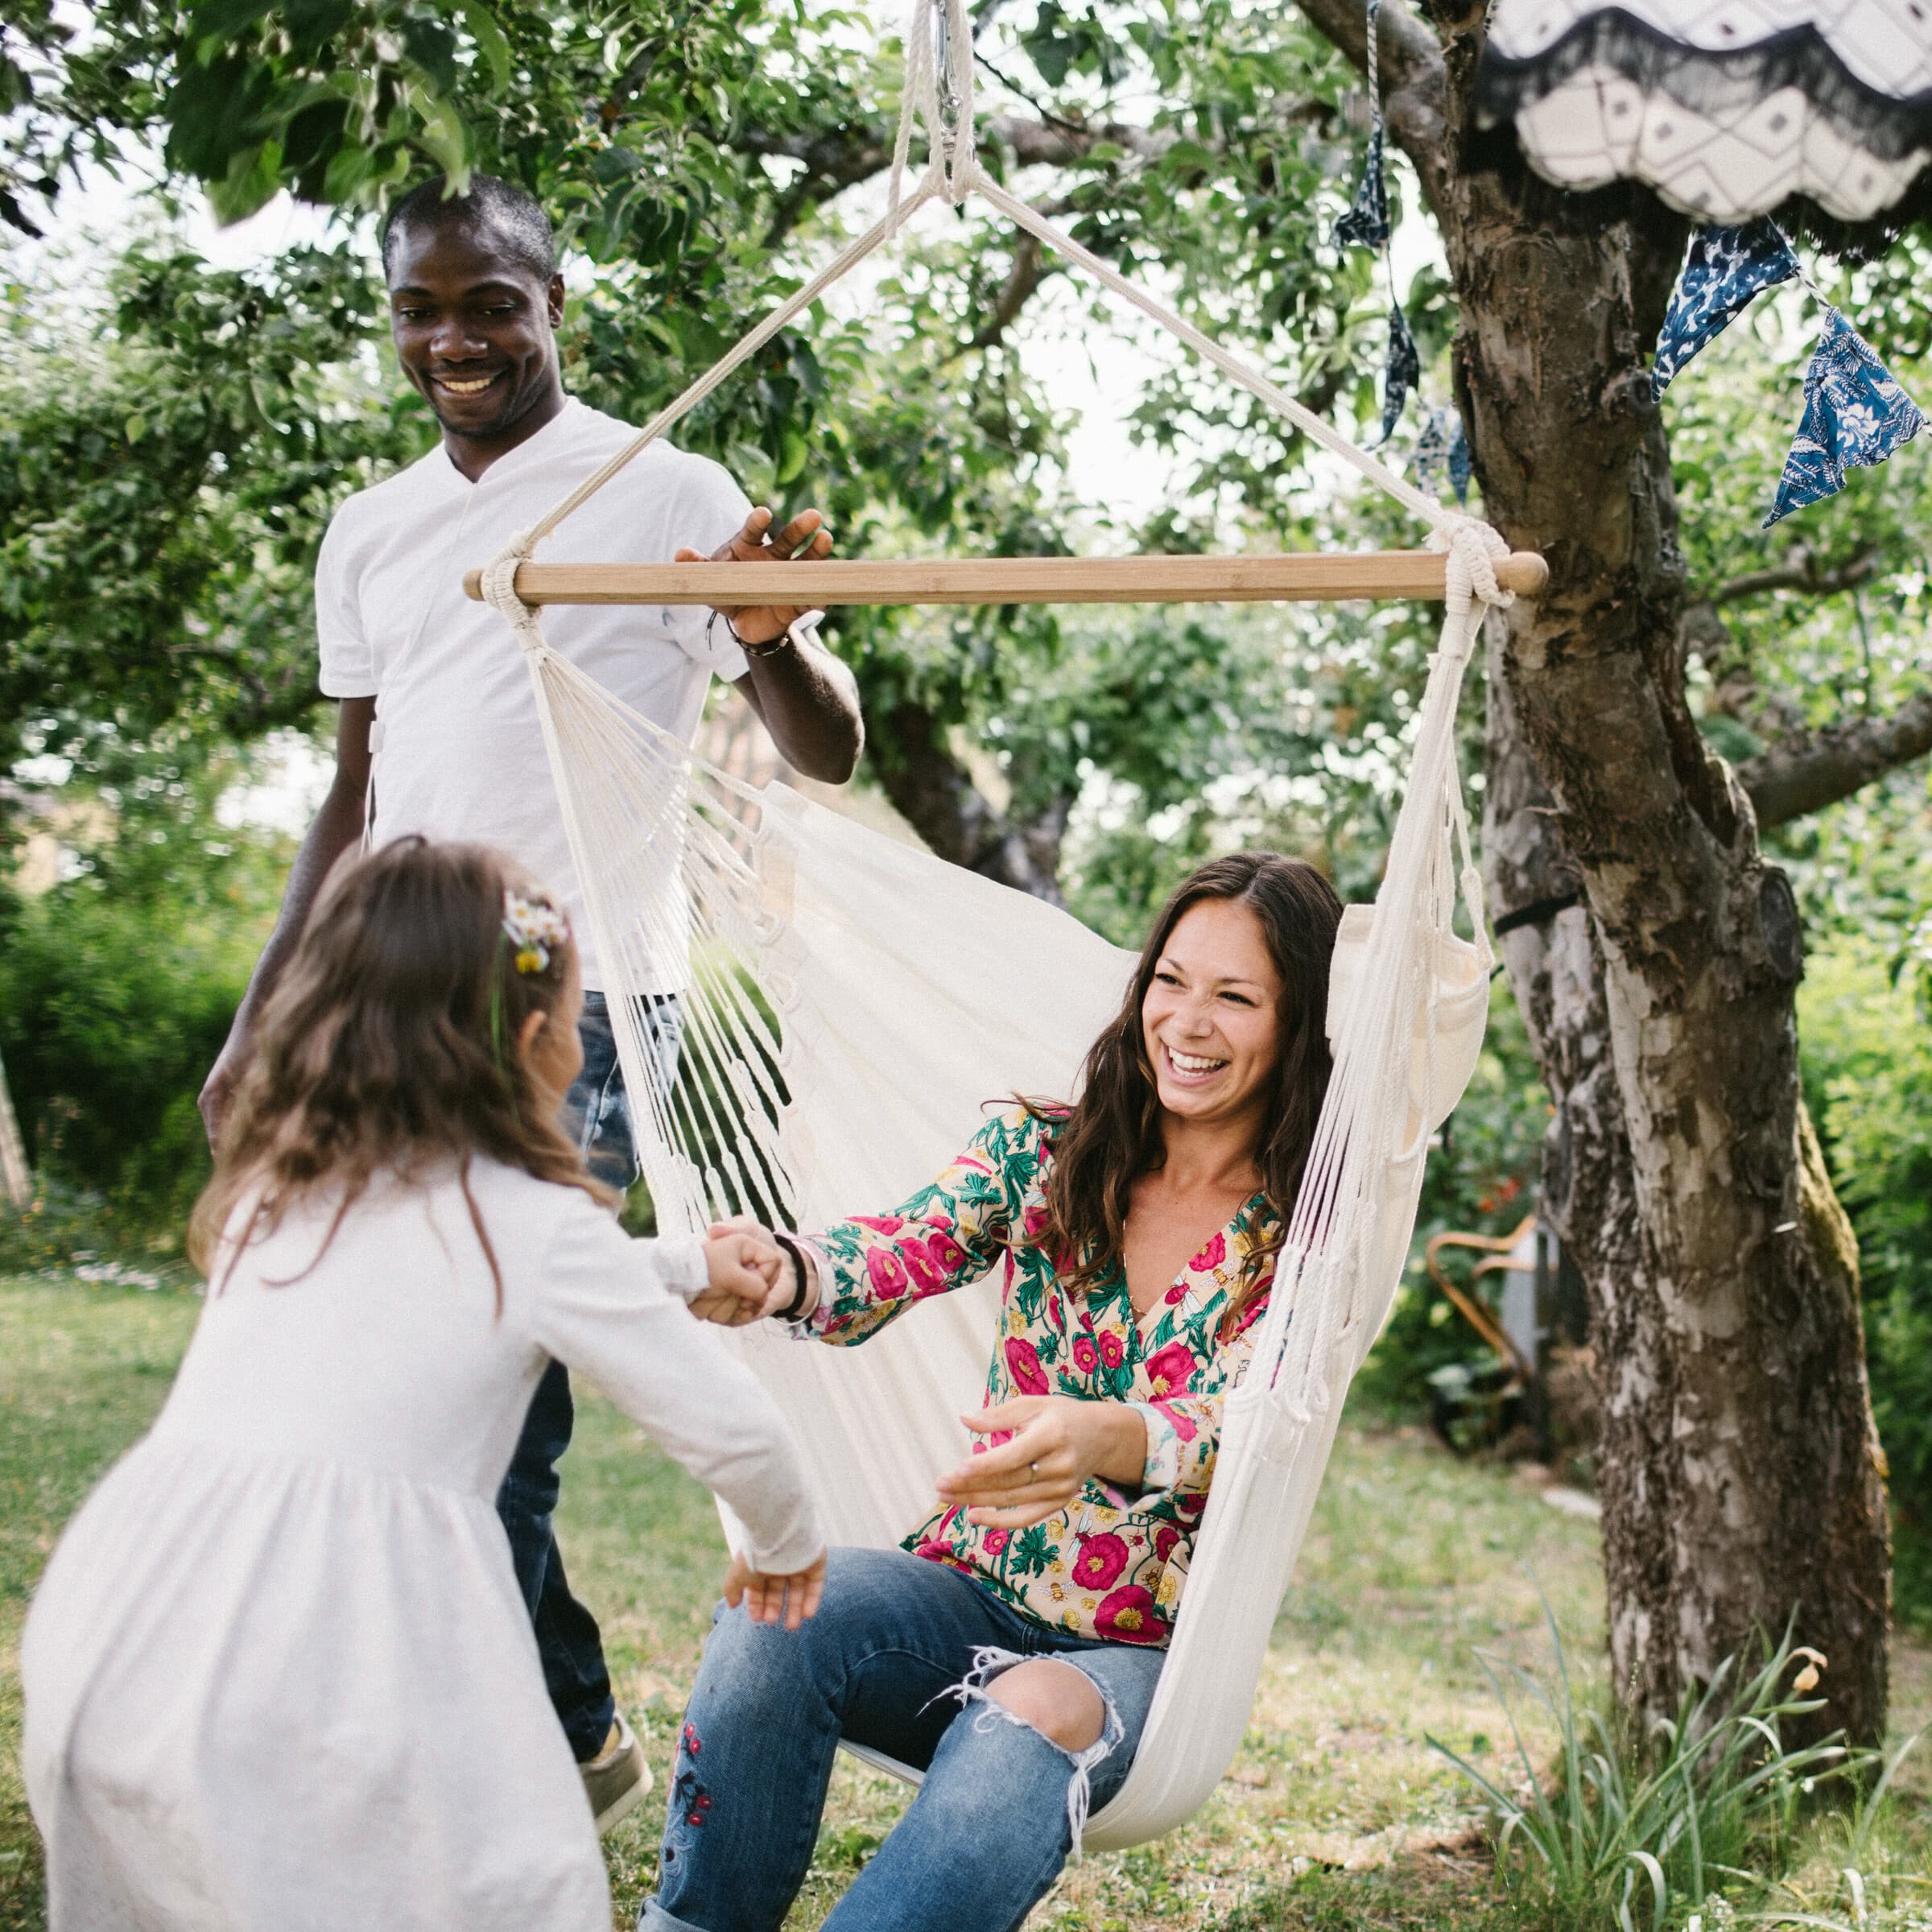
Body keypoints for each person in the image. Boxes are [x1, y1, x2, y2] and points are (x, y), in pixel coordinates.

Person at [196, 171, 864, 1829]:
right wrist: (263, 1013)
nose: (454, 337)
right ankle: (557, 1725)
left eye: (487, 300)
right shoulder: (373, 528)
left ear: (554, 293)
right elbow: (352, 791)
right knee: (379, 1399)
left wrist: (774, 640)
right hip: (377, 1007)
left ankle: (525, 1750)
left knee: (492, 1416)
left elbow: (827, 746)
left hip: (574, 1018)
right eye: (419, 308)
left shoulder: (662, 484)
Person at [23, 839, 827, 1932]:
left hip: (125, 1622)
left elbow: (448, 1293)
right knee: (503, 1886)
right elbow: (740, 1437)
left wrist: (682, 1266)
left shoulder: (283, 1190)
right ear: (541, 1041)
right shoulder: (536, 1224)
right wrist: (786, 1546)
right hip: (335, 1643)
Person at [643, 851, 1344, 1932]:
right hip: (962, 1594)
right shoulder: (1046, 1154)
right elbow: (905, 1243)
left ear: (1295, 1025)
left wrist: (1108, 1436)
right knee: (782, 1602)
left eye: (1236, 997)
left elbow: (1259, 1423)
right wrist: (788, 1268)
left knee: (1031, 1708)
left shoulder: (1303, 1240)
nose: (1189, 1022)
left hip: (1142, 1652)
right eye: (1171, 981)